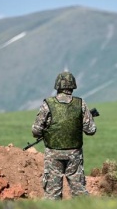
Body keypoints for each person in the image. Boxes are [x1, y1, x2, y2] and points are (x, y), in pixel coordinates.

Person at [31, 71, 97, 200]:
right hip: (74, 154)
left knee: (52, 193)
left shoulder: (48, 104)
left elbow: (35, 131)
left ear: (57, 86)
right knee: (79, 190)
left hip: (53, 153)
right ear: (73, 86)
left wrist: (47, 131)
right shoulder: (81, 103)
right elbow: (91, 130)